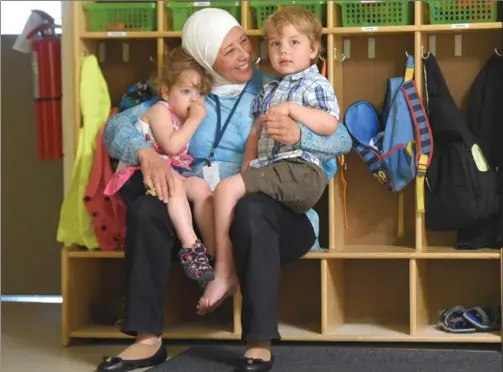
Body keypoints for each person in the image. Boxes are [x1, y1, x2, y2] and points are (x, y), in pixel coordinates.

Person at [97, 7, 351, 372]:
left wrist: (302, 134)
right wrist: (143, 152)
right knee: (147, 210)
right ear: (204, 58)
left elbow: (341, 137)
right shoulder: (189, 93)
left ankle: (259, 341)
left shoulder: (274, 85)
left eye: (243, 42)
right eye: (228, 50)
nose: (244, 54)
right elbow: (115, 129)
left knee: (252, 210)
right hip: (204, 220)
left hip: (273, 220)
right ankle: (146, 340)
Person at [198, 6, 340, 315]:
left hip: (300, 172)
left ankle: (224, 273)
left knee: (225, 191)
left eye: (294, 43)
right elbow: (255, 133)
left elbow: (331, 126)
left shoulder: (314, 84)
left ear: (314, 49)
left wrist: (293, 111)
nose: (283, 50)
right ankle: (228, 269)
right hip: (273, 169)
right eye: (276, 44)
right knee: (228, 196)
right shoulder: (269, 88)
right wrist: (248, 164)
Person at [103, 47, 216, 283]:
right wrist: (196, 119)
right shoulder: (159, 111)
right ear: (166, 92)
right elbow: (172, 146)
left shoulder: (181, 117)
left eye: (200, 93)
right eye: (186, 91)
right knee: (173, 183)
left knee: (200, 188)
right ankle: (191, 248)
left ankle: (212, 253)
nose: (194, 100)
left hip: (167, 173)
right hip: (137, 173)